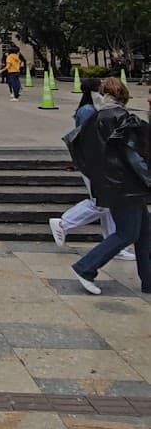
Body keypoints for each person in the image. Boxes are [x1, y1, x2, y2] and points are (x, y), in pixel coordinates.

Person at [68, 76, 151, 296]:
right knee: (127, 233)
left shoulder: (95, 118)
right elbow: (133, 156)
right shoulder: (123, 119)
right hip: (127, 185)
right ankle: (86, 267)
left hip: (112, 183)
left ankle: (149, 280)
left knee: (144, 233)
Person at [49, 78, 132, 257]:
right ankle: (64, 223)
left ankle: (114, 244)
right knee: (100, 203)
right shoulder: (96, 112)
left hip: (99, 164)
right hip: (97, 165)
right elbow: (92, 139)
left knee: (108, 205)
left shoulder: (99, 110)